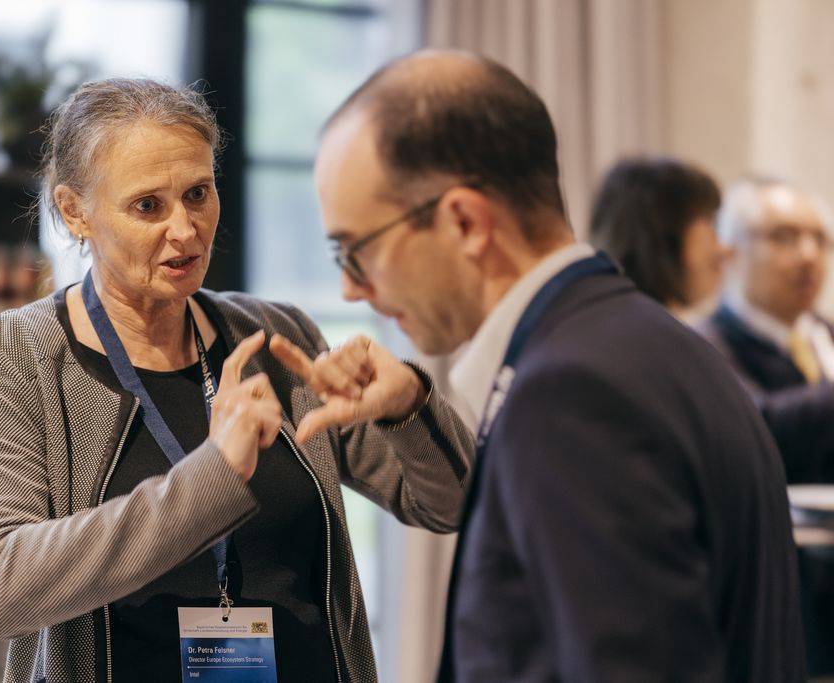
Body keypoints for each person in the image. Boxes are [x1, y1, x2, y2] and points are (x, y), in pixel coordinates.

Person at [0, 77, 472, 683]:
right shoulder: (19, 356)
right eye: (148, 206)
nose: (186, 229)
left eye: (198, 193)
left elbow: (453, 504)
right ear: (75, 211)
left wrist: (407, 407)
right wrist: (212, 478)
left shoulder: (280, 338)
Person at [313, 49, 805, 682]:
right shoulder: (656, 345)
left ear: (464, 222)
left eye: (357, 250)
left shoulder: (573, 394)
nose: (353, 290)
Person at [697, 176, 834, 673]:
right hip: (780, 597)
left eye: (820, 239)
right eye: (784, 237)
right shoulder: (707, 346)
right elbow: (756, 427)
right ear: (728, 251)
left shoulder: (823, 334)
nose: (808, 255)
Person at [589, 156, 728, 324]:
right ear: (668, 234)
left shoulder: (611, 322)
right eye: (710, 223)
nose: (724, 250)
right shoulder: (648, 338)